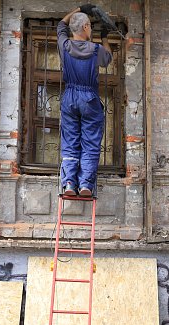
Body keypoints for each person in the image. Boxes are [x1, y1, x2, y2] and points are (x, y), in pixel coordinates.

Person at [57, 4, 112, 197]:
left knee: (70, 141)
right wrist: (105, 37)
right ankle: (86, 185)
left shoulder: (64, 46)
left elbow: (61, 25)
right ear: (86, 27)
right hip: (89, 98)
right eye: (90, 26)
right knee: (90, 142)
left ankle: (70, 184)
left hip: (70, 97)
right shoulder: (96, 50)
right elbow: (108, 58)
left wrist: (80, 8)